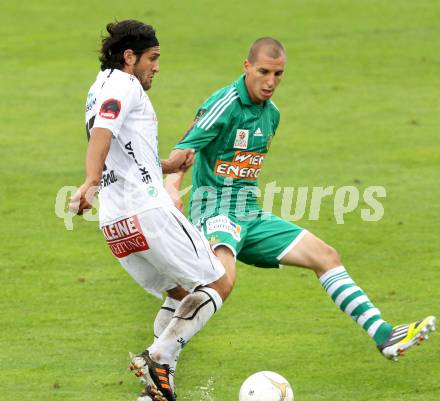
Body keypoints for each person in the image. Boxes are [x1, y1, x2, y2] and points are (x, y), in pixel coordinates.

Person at [165, 37, 436, 368]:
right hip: (215, 209)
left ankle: (383, 335)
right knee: (223, 278)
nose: (270, 82)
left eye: (278, 74)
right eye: (264, 71)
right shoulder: (224, 103)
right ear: (246, 66)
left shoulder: (272, 115)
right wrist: (168, 180)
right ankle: (162, 359)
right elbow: (184, 149)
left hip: (250, 213)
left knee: (325, 256)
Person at [69, 20, 232, 401]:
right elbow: (103, 135)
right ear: (130, 57)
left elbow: (123, 150)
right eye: (152, 58)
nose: (157, 66)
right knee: (217, 282)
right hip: (146, 210)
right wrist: (89, 181)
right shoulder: (123, 86)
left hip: (116, 222)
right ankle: (160, 356)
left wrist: (167, 166)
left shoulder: (97, 89)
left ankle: (153, 390)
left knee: (179, 296)